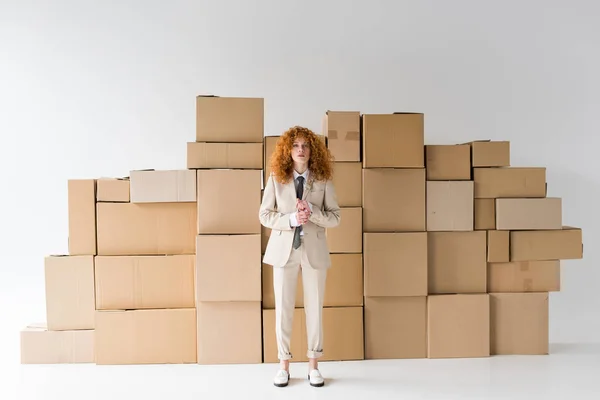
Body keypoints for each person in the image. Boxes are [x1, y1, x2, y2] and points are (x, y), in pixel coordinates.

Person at [259, 126, 341, 388]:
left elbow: (335, 217)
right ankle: (283, 365)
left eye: (305, 145)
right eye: (295, 146)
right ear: (288, 150)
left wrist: (312, 211)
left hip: (314, 252)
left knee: (314, 307)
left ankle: (313, 365)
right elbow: (265, 215)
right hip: (284, 251)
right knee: (283, 308)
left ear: (312, 150)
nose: (301, 150)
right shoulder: (276, 178)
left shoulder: (323, 179)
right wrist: (292, 219)